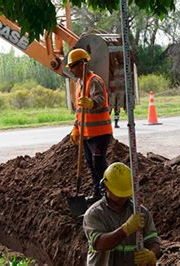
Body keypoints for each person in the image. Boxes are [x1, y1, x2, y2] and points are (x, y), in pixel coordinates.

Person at [83, 162, 160, 266]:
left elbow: (153, 241)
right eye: (119, 194)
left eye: (125, 194)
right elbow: (99, 244)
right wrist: (126, 229)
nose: (123, 198)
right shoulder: (94, 214)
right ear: (106, 187)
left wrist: (151, 254)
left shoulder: (141, 212)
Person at [68, 48, 113, 203]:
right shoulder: (79, 83)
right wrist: (76, 128)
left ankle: (109, 193)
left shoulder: (94, 80)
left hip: (100, 133)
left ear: (81, 64)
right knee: (90, 163)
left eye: (72, 66)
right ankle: (98, 193)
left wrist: (92, 102)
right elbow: (79, 110)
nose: (71, 70)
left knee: (98, 163)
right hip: (87, 134)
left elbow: (101, 101)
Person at [109, 56, 126, 129]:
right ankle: (107, 122)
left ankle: (116, 122)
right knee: (110, 107)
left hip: (120, 90)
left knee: (118, 107)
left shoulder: (123, 68)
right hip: (113, 90)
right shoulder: (110, 69)